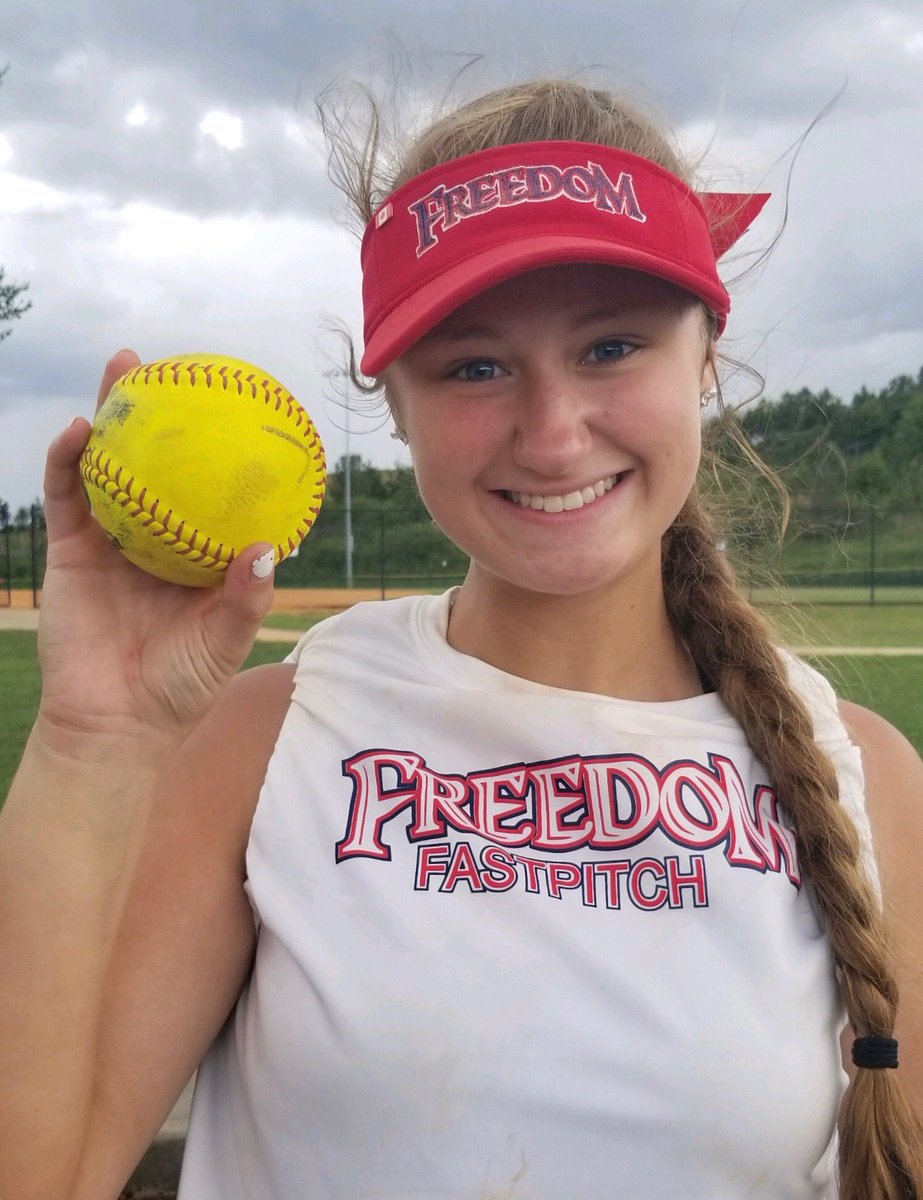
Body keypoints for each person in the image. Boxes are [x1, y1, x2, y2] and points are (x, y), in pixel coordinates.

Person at [1, 77, 921, 1200]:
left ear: (705, 362)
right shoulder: (270, 739)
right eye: (474, 367)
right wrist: (92, 741)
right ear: (394, 404)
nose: (549, 433)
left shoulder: (865, 781)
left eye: (611, 347)